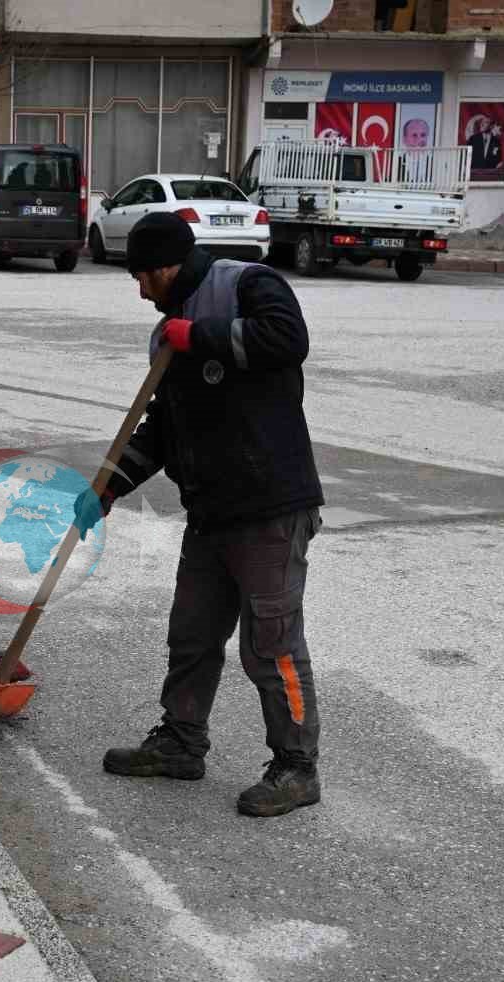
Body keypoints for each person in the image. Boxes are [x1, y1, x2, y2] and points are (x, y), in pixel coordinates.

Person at [78, 212, 326, 817]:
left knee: (270, 645)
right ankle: (181, 742)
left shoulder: (247, 284)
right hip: (212, 510)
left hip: (269, 505)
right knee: (191, 634)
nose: (140, 291)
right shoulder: (171, 332)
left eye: (142, 276)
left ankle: (296, 766)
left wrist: (201, 337)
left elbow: (288, 340)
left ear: (166, 266)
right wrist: (109, 487)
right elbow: (163, 426)